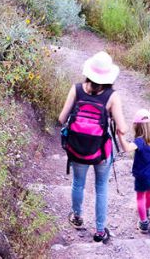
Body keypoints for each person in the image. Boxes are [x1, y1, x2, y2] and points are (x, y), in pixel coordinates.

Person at [58, 51, 127, 244]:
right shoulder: (112, 96)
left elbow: (62, 118)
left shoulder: (76, 89)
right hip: (101, 152)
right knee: (101, 188)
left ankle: (78, 217)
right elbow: (122, 128)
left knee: (78, 183)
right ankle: (99, 231)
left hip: (77, 149)